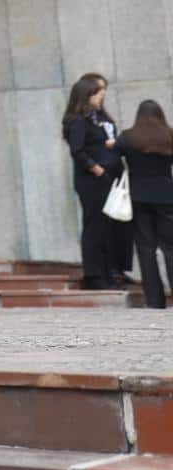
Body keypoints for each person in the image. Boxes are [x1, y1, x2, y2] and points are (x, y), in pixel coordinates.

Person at [64, 73, 126, 289]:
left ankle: (111, 271)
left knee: (109, 226)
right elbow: (77, 150)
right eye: (98, 92)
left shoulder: (101, 118)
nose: (102, 96)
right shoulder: (78, 121)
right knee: (95, 225)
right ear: (86, 95)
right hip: (92, 180)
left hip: (110, 177)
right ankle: (94, 274)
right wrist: (96, 168)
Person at [119, 99, 173, 309]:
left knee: (145, 248)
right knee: (170, 247)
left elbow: (115, 156)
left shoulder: (128, 137)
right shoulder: (168, 134)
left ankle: (154, 300)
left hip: (139, 197)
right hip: (167, 196)